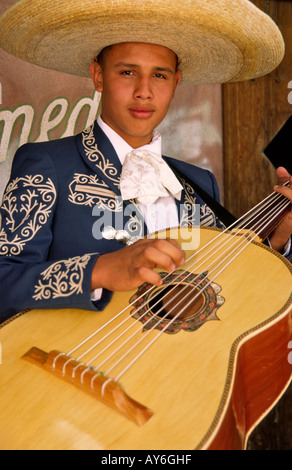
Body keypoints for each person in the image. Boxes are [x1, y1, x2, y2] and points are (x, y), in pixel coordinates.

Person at [0, 0, 291, 324]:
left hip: (180, 371)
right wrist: (99, 269)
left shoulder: (200, 183)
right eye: (127, 72)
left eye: (160, 75)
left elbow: (224, 289)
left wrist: (275, 242)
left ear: (176, 81)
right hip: (67, 369)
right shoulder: (48, 164)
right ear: (98, 75)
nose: (144, 91)